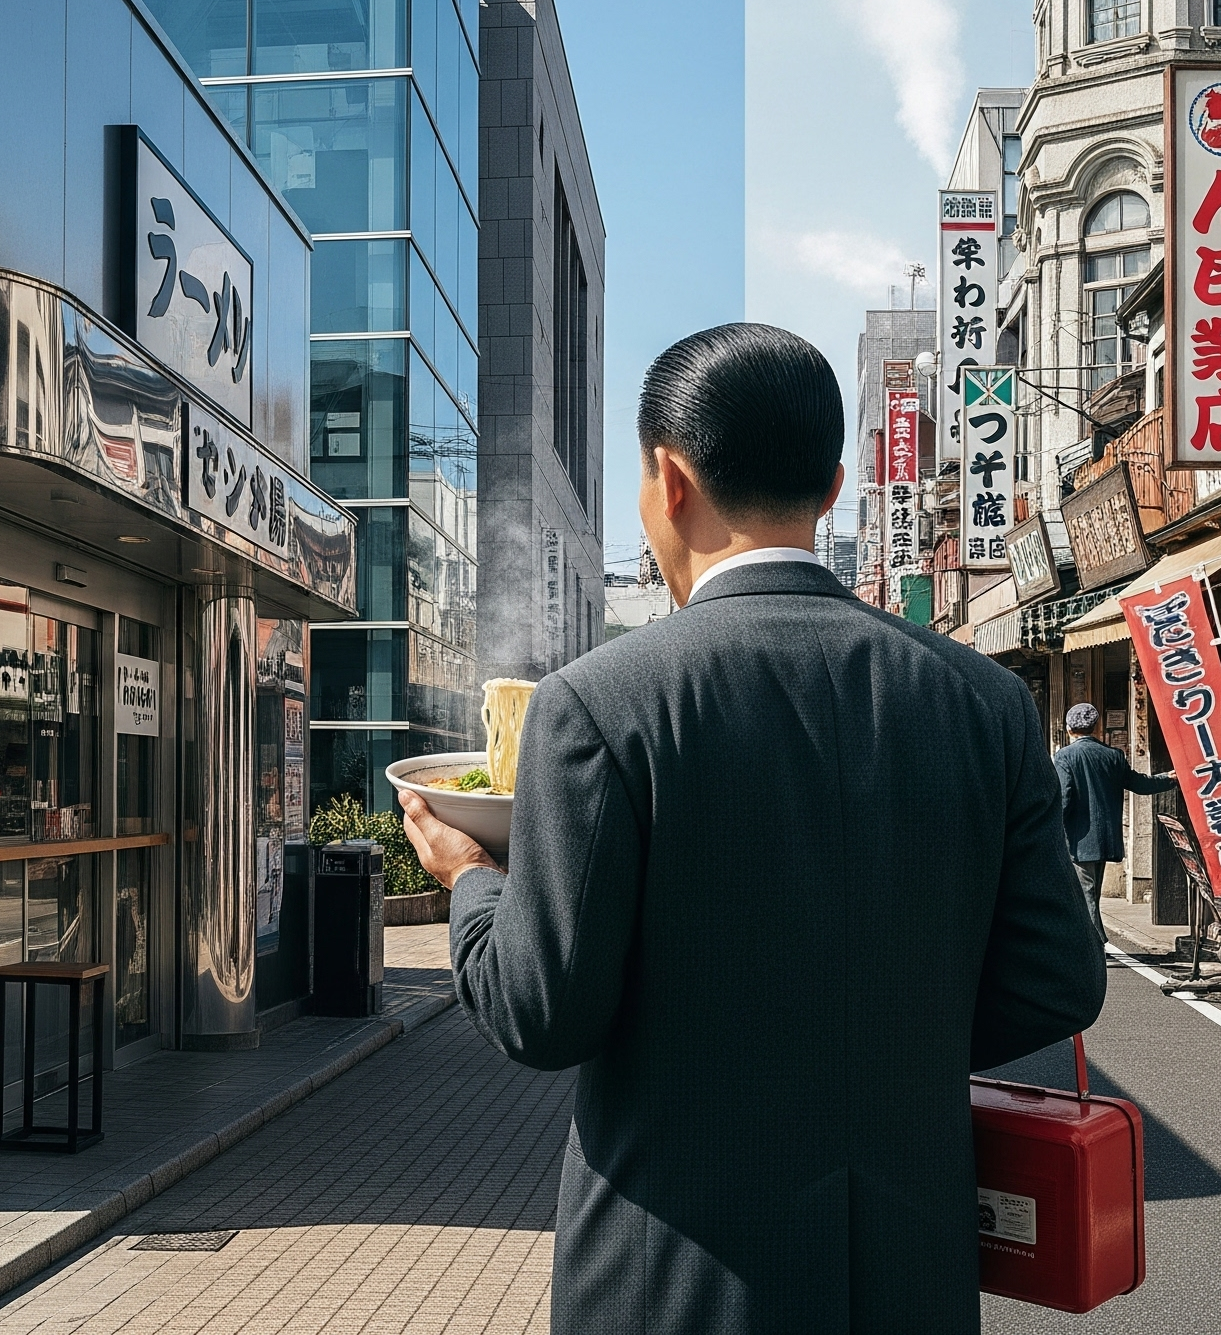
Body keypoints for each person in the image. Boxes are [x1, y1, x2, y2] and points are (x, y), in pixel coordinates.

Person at [401, 323, 1104, 1335]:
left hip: (673, 1280)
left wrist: (471, 875)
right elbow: (1055, 980)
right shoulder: (983, 699)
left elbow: (539, 1010)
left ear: (667, 477)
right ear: (828, 486)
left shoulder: (600, 702)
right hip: (906, 1277)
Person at [1053, 701, 1177, 960]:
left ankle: (1095, 943)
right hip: (1105, 837)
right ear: (1096, 727)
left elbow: (1063, 798)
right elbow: (1139, 784)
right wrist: (1168, 779)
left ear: (1069, 728)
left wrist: (1054, 831)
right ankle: (1091, 942)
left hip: (1078, 837)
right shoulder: (1113, 756)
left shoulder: (1065, 756)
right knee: (1091, 891)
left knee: (1085, 891)